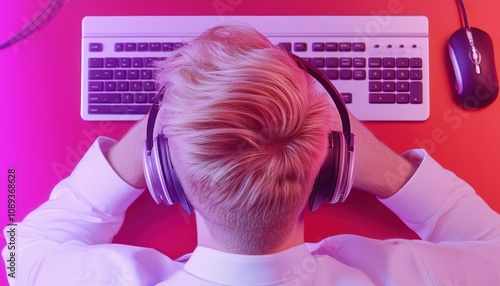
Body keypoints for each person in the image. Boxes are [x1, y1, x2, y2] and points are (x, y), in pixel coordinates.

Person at [3, 24, 500, 286]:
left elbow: (14, 251)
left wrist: (160, 133)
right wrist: (393, 173)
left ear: (167, 173)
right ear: (331, 166)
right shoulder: (405, 275)